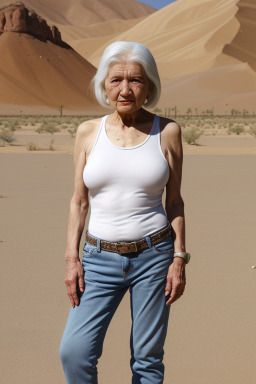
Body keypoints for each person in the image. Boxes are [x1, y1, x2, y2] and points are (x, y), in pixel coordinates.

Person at [59, 41, 190, 384]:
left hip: (154, 255)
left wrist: (179, 259)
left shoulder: (168, 131)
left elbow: (174, 202)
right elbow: (79, 201)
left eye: (136, 80)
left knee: (147, 361)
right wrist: (72, 259)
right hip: (98, 259)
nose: (126, 89)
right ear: (104, 84)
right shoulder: (88, 132)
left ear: (149, 87)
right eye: (116, 80)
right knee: (74, 352)